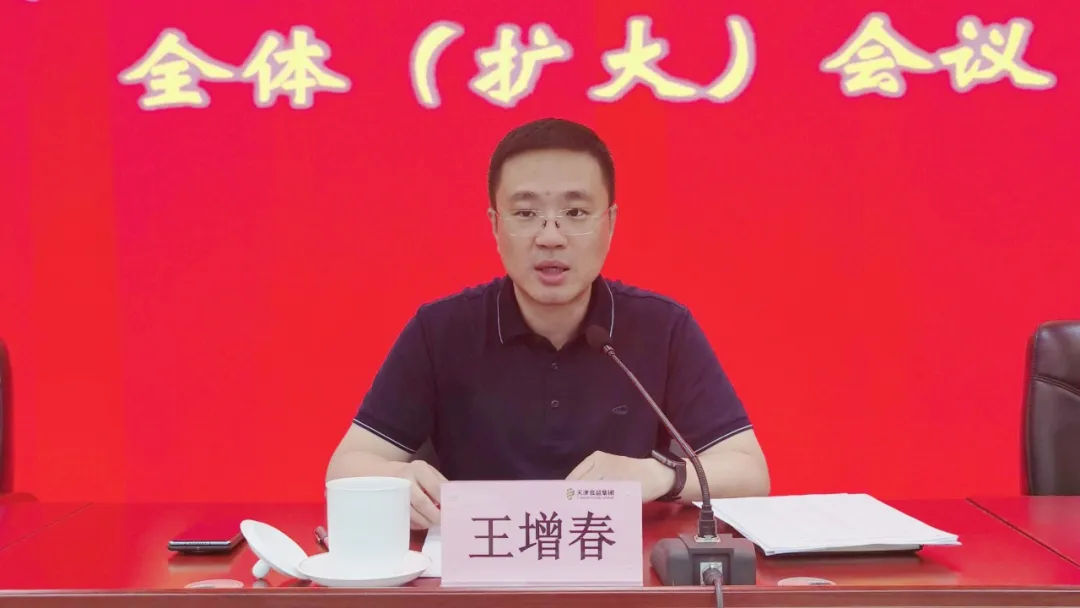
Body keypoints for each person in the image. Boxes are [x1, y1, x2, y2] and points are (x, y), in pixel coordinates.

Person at [326, 118, 769, 530]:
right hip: (480, 563)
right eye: (525, 214)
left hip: (618, 567)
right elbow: (346, 467)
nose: (550, 236)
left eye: (575, 213)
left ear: (610, 224)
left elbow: (749, 472)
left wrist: (658, 475)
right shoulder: (440, 331)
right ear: (495, 226)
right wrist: (396, 481)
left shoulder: (662, 328)